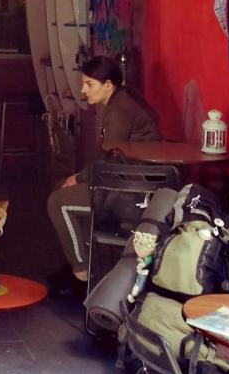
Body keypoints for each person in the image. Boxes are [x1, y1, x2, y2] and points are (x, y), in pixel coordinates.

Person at [46, 56, 161, 297]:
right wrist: (79, 176)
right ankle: (79, 264)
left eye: (89, 84)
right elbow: (108, 156)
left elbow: (109, 157)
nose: (83, 90)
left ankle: (81, 274)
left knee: (58, 202)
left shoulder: (120, 110)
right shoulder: (119, 101)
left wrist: (79, 178)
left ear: (108, 85)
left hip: (129, 191)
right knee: (60, 187)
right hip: (120, 179)